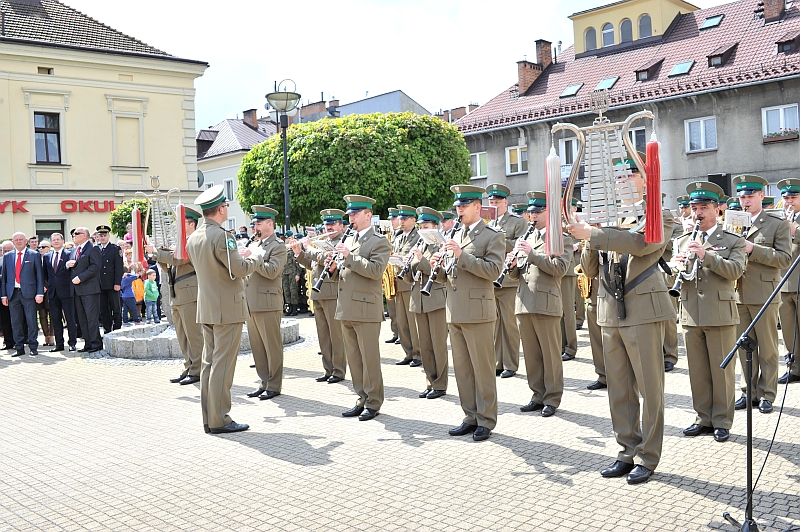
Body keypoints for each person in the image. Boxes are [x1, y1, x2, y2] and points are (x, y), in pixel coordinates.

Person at [570, 181, 675, 485]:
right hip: (609, 310)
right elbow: (589, 270)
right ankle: (626, 450)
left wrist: (596, 233)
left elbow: (643, 244)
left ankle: (648, 456)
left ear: (645, 180)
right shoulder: (608, 220)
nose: (621, 183)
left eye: (630, 175)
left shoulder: (659, 215)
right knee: (619, 387)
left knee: (649, 387)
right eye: (618, 178)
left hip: (643, 309)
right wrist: (591, 235)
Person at [186, 185, 262, 434]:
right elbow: (238, 270)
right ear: (220, 209)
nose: (227, 209)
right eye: (226, 206)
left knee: (209, 363)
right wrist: (256, 257)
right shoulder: (223, 235)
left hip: (207, 306)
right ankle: (220, 419)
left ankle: (210, 418)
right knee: (223, 364)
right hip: (227, 308)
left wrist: (237, 257)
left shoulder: (195, 236)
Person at [431, 184, 504, 442]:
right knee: (462, 369)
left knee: (482, 369)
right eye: (457, 207)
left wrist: (461, 255)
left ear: (477, 207)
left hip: (479, 311)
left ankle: (486, 419)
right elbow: (450, 275)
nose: (459, 210)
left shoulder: (492, 235)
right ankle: (470, 416)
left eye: (463, 206)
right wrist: (437, 268)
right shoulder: (456, 234)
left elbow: (493, 272)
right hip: (456, 310)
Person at [674, 181, 745, 443]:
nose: (698, 213)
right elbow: (677, 273)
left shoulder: (732, 239)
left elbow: (735, 271)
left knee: (722, 371)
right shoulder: (682, 240)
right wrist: (676, 265)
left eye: (704, 207)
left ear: (718, 209)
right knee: (698, 370)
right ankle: (702, 417)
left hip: (720, 313)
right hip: (691, 313)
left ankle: (722, 420)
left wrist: (707, 255)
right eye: (695, 208)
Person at [732, 174, 791, 414]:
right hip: (738, 293)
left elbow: (785, 259)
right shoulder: (732, 222)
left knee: (767, 347)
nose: (745, 200)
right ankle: (749, 392)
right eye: (742, 196)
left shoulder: (777, 224)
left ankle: (767, 394)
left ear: (760, 196)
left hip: (765, 292)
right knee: (745, 346)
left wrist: (753, 249)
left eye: (749, 196)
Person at [508, 191, 571, 417]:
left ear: (549, 212)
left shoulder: (560, 237)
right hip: (524, 302)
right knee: (532, 355)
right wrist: (512, 265)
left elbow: (559, 269)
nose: (532, 216)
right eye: (530, 212)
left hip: (546, 302)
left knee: (550, 354)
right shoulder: (529, 237)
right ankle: (537, 395)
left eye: (537, 211)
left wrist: (532, 254)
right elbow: (517, 275)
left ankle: (552, 397)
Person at [334, 195, 391, 421]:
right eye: (349, 214)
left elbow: (376, 270)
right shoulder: (350, 239)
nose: (351, 218)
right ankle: (361, 398)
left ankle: (374, 401)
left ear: (368, 215)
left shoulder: (379, 241)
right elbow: (345, 271)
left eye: (355, 214)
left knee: (369, 358)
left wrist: (350, 257)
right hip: (347, 306)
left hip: (366, 308)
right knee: (354, 358)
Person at [148, 206, 204, 385]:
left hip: (189, 293)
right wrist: (160, 256)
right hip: (177, 293)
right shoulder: (181, 243)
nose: (176, 226)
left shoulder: (193, 240)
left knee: (193, 335)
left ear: (191, 224)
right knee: (182, 335)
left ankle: (198, 369)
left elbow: (179, 259)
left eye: (180, 223)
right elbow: (170, 267)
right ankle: (189, 366)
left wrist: (157, 252)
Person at [293, 209, 347, 384]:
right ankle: (328, 369)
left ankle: (338, 370)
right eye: (326, 225)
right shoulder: (322, 243)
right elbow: (312, 265)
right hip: (318, 293)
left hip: (332, 293)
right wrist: (299, 253)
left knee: (335, 335)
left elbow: (326, 259)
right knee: (323, 335)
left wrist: (309, 248)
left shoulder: (341, 242)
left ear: (341, 225)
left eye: (332, 224)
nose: (328, 228)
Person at [242, 205, 287, 400]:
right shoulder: (257, 245)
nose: (255, 228)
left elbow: (272, 271)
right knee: (258, 346)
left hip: (268, 302)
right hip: (251, 302)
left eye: (259, 224)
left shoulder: (278, 246)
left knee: (272, 346)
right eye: (254, 224)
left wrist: (253, 258)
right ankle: (264, 382)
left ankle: (274, 385)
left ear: (270, 224)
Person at [406, 207, 448, 399]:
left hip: (436, 299)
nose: (422, 230)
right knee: (424, 345)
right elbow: (409, 278)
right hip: (418, 299)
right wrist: (405, 264)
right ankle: (430, 381)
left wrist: (420, 260)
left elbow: (438, 273)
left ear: (435, 227)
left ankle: (440, 383)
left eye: (426, 226)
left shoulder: (442, 245)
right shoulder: (419, 245)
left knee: (438, 344)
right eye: (420, 226)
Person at [486, 183, 528, 378]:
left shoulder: (516, 222)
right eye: (491, 202)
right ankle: (497, 362)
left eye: (497, 202)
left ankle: (511, 364)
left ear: (505, 202)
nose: (494, 205)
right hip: (490, 277)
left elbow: (521, 245)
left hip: (508, 279)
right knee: (494, 324)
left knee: (509, 324)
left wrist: (499, 239)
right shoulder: (486, 222)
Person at [1, 232, 44, 356]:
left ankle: (33, 346)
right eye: (16, 240)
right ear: (13, 242)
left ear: (26, 241)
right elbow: (4, 278)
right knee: (16, 322)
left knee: (31, 321)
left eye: (21, 239)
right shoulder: (8, 256)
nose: (19, 241)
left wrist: (39, 293)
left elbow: (39, 276)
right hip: (13, 294)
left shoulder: (34, 254)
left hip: (29, 293)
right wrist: (4, 295)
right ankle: (19, 348)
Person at [393, 204, 422, 367]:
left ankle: (418, 353)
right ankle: (408, 352)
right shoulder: (398, 237)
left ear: (413, 220)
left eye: (404, 219)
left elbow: (415, 256)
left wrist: (400, 257)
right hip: (398, 283)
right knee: (402, 322)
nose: (401, 221)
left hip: (411, 282)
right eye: (400, 219)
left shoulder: (418, 236)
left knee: (413, 322)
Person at [778, 178, 800, 386]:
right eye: (785, 198)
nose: (788, 201)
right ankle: (794, 368)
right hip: (784, 282)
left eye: (793, 197)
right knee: (788, 330)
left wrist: (795, 231)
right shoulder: (781, 219)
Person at [67, 227, 103, 353]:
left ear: (85, 236)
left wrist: (80, 278)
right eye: (74, 234)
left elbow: (95, 267)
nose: (74, 235)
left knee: (91, 317)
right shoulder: (75, 249)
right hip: (77, 290)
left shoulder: (93, 248)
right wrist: (68, 265)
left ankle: (95, 343)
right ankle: (88, 343)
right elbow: (75, 265)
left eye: (77, 233)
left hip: (89, 289)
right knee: (82, 318)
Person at [561, 195, 580, 362]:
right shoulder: (552, 218)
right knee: (556, 311)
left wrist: (577, 245)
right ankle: (560, 345)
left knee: (567, 310)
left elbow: (585, 236)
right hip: (550, 268)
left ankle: (571, 347)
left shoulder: (571, 217)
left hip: (566, 268)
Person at [95, 225, 124, 333]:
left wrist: (117, 283)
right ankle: (107, 329)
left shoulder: (115, 248)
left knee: (115, 307)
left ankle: (117, 328)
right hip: (100, 284)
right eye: (100, 235)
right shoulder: (96, 249)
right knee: (103, 309)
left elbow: (119, 267)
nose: (102, 238)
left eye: (104, 235)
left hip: (112, 283)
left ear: (108, 236)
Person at [384, 207, 401, 344]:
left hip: (400, 276)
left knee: (401, 311)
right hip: (390, 276)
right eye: (391, 219)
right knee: (392, 309)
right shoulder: (391, 235)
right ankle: (395, 332)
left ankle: (402, 334)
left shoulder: (401, 234)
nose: (392, 222)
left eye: (393, 219)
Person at [36, 240, 56, 347]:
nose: (41, 249)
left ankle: (52, 336)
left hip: (51, 289)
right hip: (39, 291)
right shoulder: (36, 258)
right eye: (39, 247)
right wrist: (40, 287)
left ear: (49, 247)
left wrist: (47, 286)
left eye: (43, 247)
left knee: (52, 313)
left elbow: (53, 274)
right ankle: (46, 335)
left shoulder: (51, 257)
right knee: (42, 314)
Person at [0, 240, 16, 350]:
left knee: (17, 319)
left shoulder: (18, 260)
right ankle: (8, 341)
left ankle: (19, 340)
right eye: (4, 250)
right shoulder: (0, 261)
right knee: (5, 319)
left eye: (8, 250)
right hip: (3, 295)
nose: (6, 253)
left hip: (16, 294)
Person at [282, 234, 302, 316]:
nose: (288, 240)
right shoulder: (284, 249)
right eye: (287, 238)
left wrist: (298, 274)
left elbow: (298, 262)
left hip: (293, 272)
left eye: (289, 238)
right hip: (284, 272)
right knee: (286, 291)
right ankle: (289, 307)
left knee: (293, 290)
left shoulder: (295, 248)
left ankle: (294, 308)